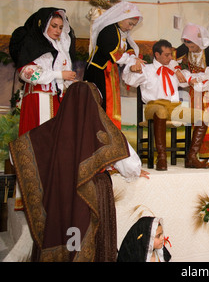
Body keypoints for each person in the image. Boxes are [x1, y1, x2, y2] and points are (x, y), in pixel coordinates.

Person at [8, 81, 148, 262]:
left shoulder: (50, 130)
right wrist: (131, 171)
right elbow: (131, 166)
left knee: (64, 232)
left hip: (60, 192)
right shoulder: (106, 132)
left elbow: (16, 155)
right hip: (94, 192)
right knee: (88, 238)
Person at [122, 39, 207, 170]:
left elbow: (186, 79)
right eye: (166, 55)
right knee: (161, 111)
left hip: (173, 108)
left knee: (204, 117)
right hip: (153, 106)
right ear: (157, 54)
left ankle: (191, 157)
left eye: (171, 55)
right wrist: (133, 70)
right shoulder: (147, 69)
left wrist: (193, 80)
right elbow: (130, 80)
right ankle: (161, 157)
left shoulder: (174, 69)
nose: (170, 58)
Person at [9, 7, 77, 136]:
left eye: (61, 28)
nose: (57, 31)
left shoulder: (61, 48)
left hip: (58, 99)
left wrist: (71, 81)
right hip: (39, 98)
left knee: (57, 137)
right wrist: (59, 75)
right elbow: (26, 73)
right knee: (40, 137)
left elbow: (64, 72)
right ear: (45, 25)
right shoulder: (33, 44)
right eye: (54, 26)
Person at [84, 1, 145, 129]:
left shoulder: (121, 32)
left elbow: (128, 49)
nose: (130, 28)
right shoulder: (108, 30)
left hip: (109, 72)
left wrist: (134, 58)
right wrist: (131, 60)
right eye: (130, 24)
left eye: (133, 25)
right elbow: (112, 53)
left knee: (110, 103)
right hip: (98, 72)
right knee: (101, 103)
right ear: (121, 18)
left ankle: (110, 132)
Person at [175, 23, 209, 168]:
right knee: (199, 120)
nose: (187, 46)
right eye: (185, 42)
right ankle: (201, 153)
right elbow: (172, 58)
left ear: (198, 40)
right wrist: (178, 70)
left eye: (190, 43)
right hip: (196, 88)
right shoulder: (185, 47)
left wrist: (203, 79)